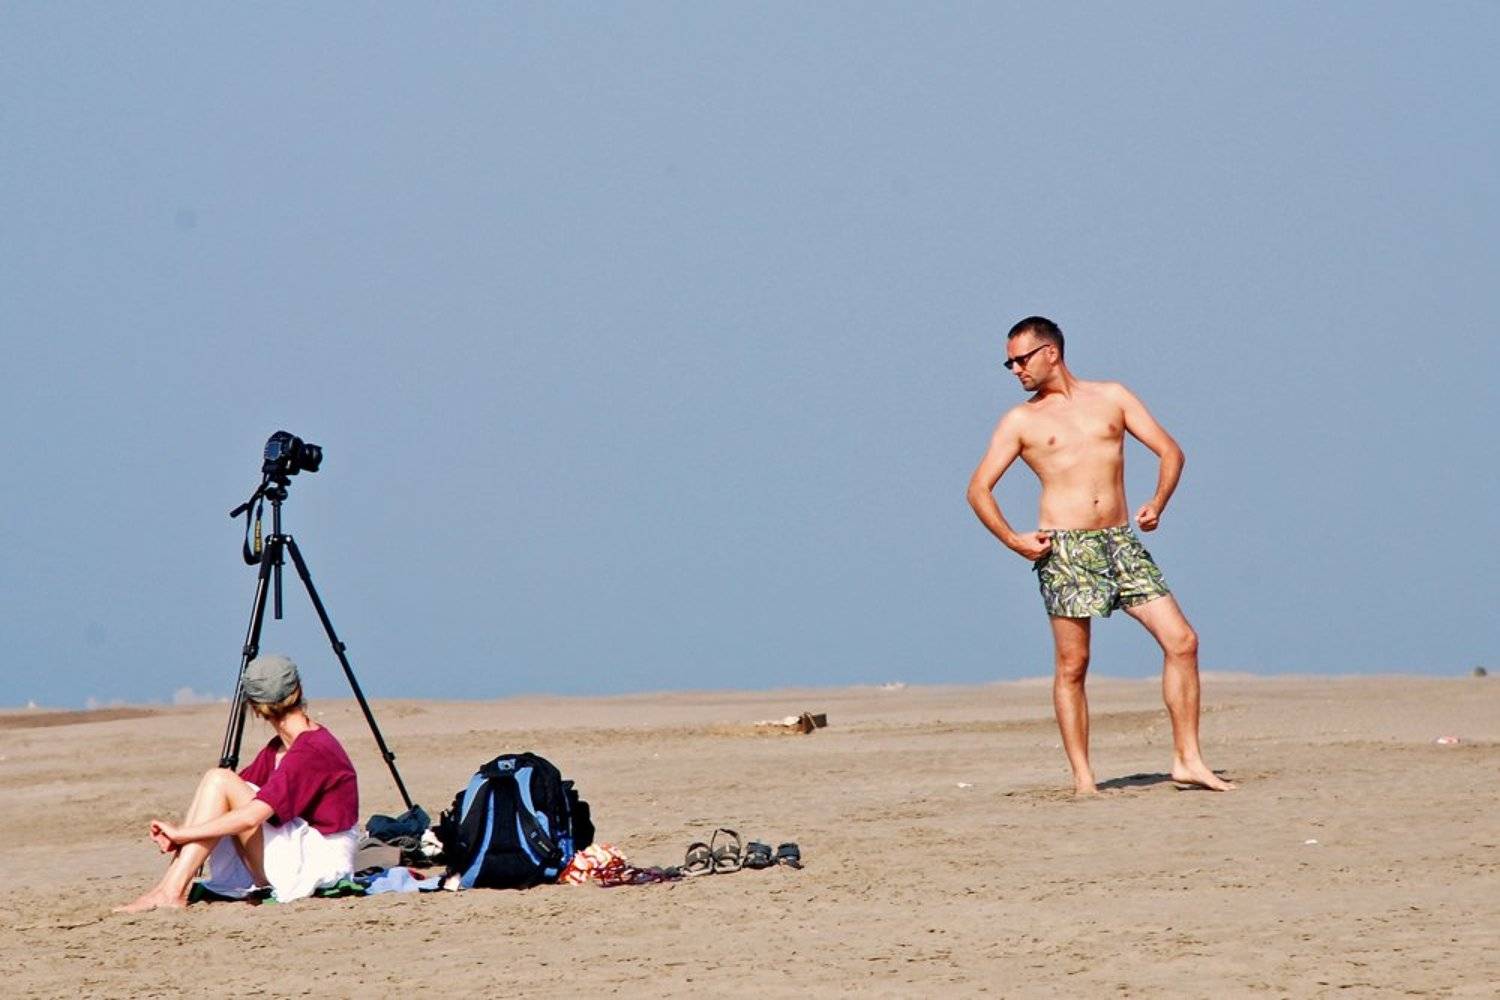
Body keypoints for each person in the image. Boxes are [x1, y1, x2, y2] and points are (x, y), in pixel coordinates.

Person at [967, 316, 1234, 795]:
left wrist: (1158, 503)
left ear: (1051, 352)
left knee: (1182, 641)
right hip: (1065, 548)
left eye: (1021, 359)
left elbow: (1170, 452)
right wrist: (1013, 539)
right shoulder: (1021, 420)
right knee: (1074, 664)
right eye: (1009, 364)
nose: (1015, 370)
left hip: (1120, 541)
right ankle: (1084, 779)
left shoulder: (1112, 396)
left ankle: (1187, 760)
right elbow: (978, 489)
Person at [115, 654, 360, 911]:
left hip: (321, 863)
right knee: (217, 781)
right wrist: (182, 836)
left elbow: (250, 817)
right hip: (296, 853)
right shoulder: (279, 748)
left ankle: (170, 891)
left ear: (255, 707)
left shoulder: (312, 749)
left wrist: (183, 834)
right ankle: (168, 889)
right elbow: (225, 802)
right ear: (297, 690)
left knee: (219, 779)